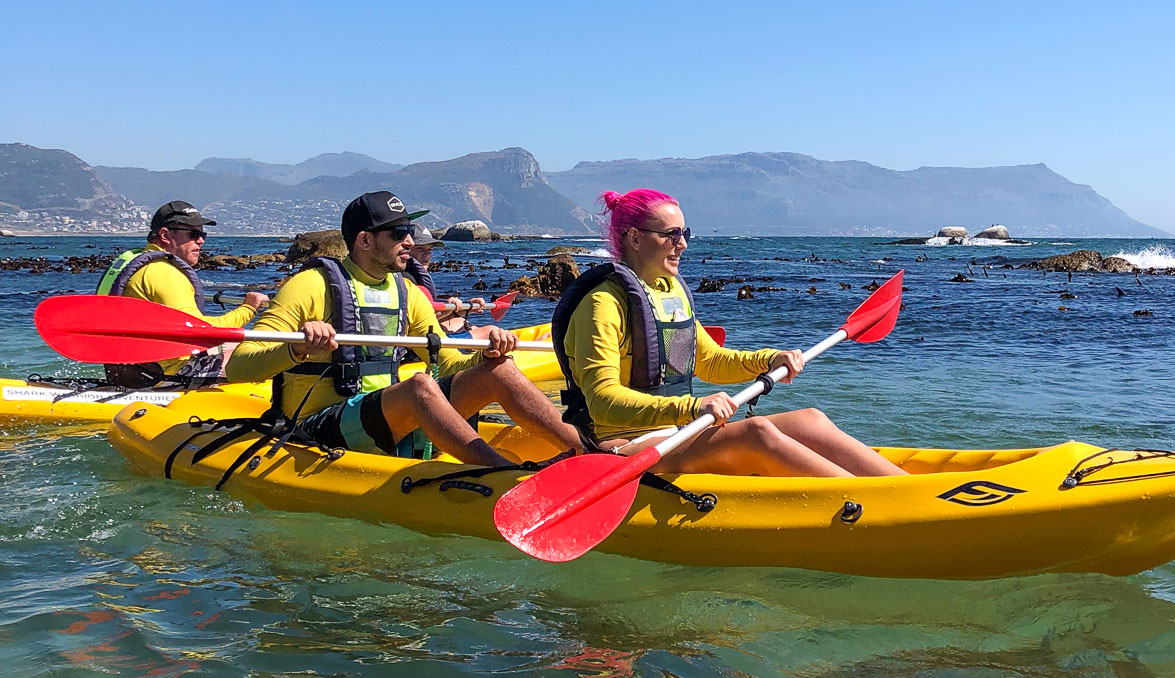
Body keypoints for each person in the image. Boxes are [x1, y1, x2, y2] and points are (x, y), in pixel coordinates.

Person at [555, 188, 906, 478]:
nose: (683, 245)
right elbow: (604, 405)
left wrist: (770, 359)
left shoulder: (667, 293)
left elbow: (709, 362)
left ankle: (904, 489)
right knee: (756, 432)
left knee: (810, 420)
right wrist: (692, 408)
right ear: (634, 237)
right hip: (622, 450)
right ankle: (877, 505)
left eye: (685, 233)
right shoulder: (602, 304)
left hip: (677, 435)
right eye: (671, 235)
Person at [224, 191, 582, 466]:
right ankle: (506, 475)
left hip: (381, 418)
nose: (410, 241)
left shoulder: (407, 293)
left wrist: (484, 356)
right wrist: (297, 348)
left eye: (408, 231)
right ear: (365, 241)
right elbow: (239, 366)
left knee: (497, 369)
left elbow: (448, 362)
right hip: (318, 425)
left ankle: (583, 450)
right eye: (398, 233)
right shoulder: (310, 286)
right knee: (418, 386)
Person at [96, 200, 268, 387]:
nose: (201, 240)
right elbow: (201, 332)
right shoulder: (163, 273)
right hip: (168, 375)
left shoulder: (142, 266)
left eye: (202, 234)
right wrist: (248, 309)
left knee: (246, 347)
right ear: (165, 235)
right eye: (193, 234)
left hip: (134, 371)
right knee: (267, 355)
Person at [403, 223, 488, 337]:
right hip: (417, 345)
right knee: (489, 331)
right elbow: (417, 319)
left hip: (421, 336)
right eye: (419, 248)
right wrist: (448, 309)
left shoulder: (416, 277)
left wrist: (462, 309)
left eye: (429, 249)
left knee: (459, 322)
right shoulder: (404, 280)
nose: (427, 254)